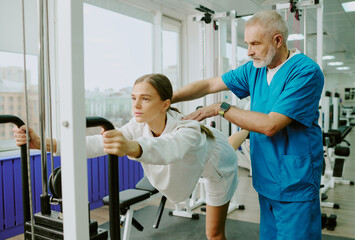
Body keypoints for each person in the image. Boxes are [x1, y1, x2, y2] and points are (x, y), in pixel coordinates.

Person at [13, 73, 246, 240]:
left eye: (145, 98)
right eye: (133, 97)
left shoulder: (189, 129)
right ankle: (245, 132)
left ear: (165, 104)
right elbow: (98, 143)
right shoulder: (137, 124)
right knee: (230, 144)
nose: (136, 105)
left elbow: (167, 149)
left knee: (213, 233)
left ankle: (247, 130)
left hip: (217, 167)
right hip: (207, 149)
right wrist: (46, 143)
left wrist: (130, 147)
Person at [172, 10, 324, 240]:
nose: (249, 51)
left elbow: (270, 125)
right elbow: (209, 84)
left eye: (255, 43)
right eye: (247, 44)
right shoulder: (255, 68)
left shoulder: (305, 72)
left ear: (277, 40)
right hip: (266, 178)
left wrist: (219, 108)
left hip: (296, 184)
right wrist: (166, 98)